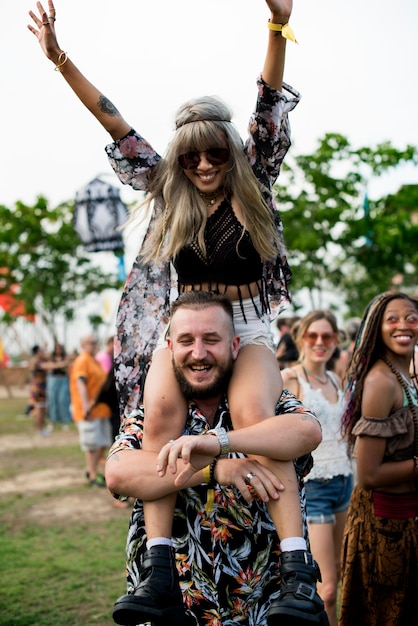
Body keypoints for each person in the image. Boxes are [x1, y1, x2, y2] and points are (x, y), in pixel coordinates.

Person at [27, 1, 317, 623]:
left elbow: (268, 100)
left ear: (230, 153)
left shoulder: (255, 180)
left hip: (247, 328)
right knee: (158, 412)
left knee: (252, 415)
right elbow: (115, 124)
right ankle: (159, 571)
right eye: (192, 158)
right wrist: (61, 61)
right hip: (184, 331)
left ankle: (298, 570)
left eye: (214, 154)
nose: (205, 166)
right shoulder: (168, 186)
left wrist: (276, 26)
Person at [105, 291, 328, 626]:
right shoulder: (150, 415)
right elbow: (119, 474)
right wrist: (216, 469)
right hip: (180, 604)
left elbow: (307, 432)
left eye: (212, 340)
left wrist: (220, 441)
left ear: (235, 346)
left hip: (266, 604)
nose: (199, 353)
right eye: (186, 341)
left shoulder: (267, 405)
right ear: (170, 350)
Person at [339, 291, 418, 625]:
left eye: (411, 317)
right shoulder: (381, 382)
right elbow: (369, 474)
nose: (404, 325)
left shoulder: (404, 377)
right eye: (392, 319)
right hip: (381, 532)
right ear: (377, 328)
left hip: (404, 524)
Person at [280, 311, 353, 626]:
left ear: (336, 341)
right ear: (301, 339)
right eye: (313, 336)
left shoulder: (336, 377)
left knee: (339, 574)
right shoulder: (289, 378)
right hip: (314, 487)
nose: (320, 342)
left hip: (345, 483)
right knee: (326, 590)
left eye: (327, 336)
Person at [69, 334, 112, 487]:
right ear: (83, 345)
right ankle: (92, 474)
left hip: (100, 410)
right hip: (89, 411)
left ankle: (92, 470)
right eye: (90, 343)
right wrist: (87, 406)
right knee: (92, 444)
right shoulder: (82, 361)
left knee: (102, 443)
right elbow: (81, 384)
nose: (94, 345)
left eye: (95, 343)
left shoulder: (94, 361)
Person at [46, 342, 73, 429]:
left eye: (60, 348)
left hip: (63, 379)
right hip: (53, 380)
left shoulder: (66, 357)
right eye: (57, 348)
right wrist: (61, 364)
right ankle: (52, 421)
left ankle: (64, 421)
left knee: (63, 400)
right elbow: (49, 366)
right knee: (52, 400)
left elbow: (68, 367)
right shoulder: (52, 357)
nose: (58, 350)